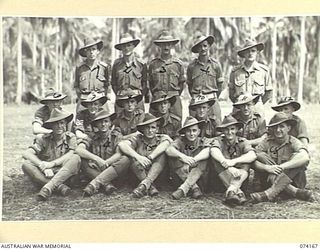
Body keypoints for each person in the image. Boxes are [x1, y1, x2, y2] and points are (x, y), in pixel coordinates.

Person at [249, 112, 313, 203]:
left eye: (281, 126)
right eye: (275, 127)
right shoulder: (266, 142)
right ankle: (293, 191)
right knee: (260, 155)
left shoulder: (294, 141)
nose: (278, 130)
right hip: (269, 181)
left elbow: (305, 157)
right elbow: (252, 159)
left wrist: (281, 168)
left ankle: (270, 194)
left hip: (294, 181)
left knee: (298, 157)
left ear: (288, 128)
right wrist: (267, 168)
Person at [22, 108, 81, 201]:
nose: (59, 126)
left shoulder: (70, 138)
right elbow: (27, 153)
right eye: (56, 123)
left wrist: (52, 164)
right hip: (46, 174)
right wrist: (42, 165)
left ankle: (48, 187)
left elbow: (71, 153)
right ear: (51, 126)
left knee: (76, 157)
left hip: (64, 174)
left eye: (62, 123)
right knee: (26, 164)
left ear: (65, 124)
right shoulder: (44, 139)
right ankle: (59, 187)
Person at [76, 109, 130, 196]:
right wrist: (96, 159)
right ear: (96, 125)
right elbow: (79, 149)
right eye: (100, 122)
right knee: (80, 159)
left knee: (125, 159)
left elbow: (118, 153)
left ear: (110, 123)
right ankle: (106, 185)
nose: (103, 124)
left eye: (106, 121)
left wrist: (106, 163)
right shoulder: (92, 136)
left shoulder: (115, 135)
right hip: (96, 170)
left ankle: (95, 184)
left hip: (113, 172)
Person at [118, 113, 172, 198]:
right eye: (147, 127)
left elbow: (166, 143)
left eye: (153, 127)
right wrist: (138, 157)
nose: (150, 130)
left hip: (158, 176)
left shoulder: (162, 138)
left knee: (163, 155)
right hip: (139, 175)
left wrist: (151, 157)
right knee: (132, 157)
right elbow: (122, 144)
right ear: (143, 129)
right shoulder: (138, 139)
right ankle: (149, 187)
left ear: (157, 129)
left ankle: (145, 184)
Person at [210, 115, 257, 206]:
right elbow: (213, 150)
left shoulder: (243, 141)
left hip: (240, 178)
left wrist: (233, 162)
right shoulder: (219, 140)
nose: (229, 132)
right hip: (222, 179)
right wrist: (228, 166)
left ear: (236, 130)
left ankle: (231, 191)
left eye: (232, 129)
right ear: (223, 131)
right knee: (217, 160)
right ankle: (239, 193)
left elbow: (253, 155)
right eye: (226, 129)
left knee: (246, 161)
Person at [166, 116, 213, 200]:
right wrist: (183, 157)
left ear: (199, 131)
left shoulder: (203, 140)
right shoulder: (180, 141)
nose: (191, 134)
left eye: (194, 130)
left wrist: (193, 160)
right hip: (181, 178)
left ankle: (184, 189)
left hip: (200, 181)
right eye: (188, 131)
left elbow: (209, 150)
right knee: (174, 157)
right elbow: (169, 149)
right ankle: (194, 188)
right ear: (184, 132)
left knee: (203, 160)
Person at [229, 39, 272, 116]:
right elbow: (231, 94)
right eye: (247, 51)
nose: (250, 53)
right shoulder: (235, 72)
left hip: (257, 108)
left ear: (257, 52)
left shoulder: (264, 71)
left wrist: (256, 103)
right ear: (243, 54)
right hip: (239, 108)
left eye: (253, 51)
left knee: (259, 127)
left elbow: (268, 93)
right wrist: (241, 103)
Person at [148, 30, 185, 119]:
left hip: (174, 99)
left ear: (172, 45)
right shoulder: (153, 64)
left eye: (169, 44)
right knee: (154, 124)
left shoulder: (178, 64)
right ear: (159, 46)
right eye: (163, 44)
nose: (166, 46)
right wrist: (158, 94)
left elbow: (181, 83)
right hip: (157, 98)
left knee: (175, 123)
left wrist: (173, 94)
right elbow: (151, 84)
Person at [187, 35, 224, 122]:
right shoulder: (192, 66)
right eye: (200, 46)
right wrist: (196, 97)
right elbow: (190, 85)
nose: (203, 48)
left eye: (205, 45)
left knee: (216, 124)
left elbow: (220, 85)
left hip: (212, 100)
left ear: (209, 46)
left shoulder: (215, 65)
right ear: (197, 49)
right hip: (196, 100)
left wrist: (213, 98)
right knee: (194, 125)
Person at [112, 33, 148, 111]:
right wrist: (122, 94)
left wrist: (137, 95)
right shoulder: (116, 64)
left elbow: (145, 83)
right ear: (121, 48)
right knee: (120, 121)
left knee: (139, 121)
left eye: (129, 45)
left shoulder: (141, 64)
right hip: (121, 99)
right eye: (124, 46)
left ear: (133, 46)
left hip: (137, 100)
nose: (126, 48)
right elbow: (114, 84)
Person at [74, 37, 110, 112]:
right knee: (79, 121)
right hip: (84, 100)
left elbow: (107, 85)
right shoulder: (79, 68)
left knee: (105, 120)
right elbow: (76, 85)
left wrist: (102, 97)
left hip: (100, 100)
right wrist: (81, 98)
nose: (91, 52)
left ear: (97, 51)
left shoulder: (104, 67)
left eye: (93, 49)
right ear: (85, 52)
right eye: (88, 50)